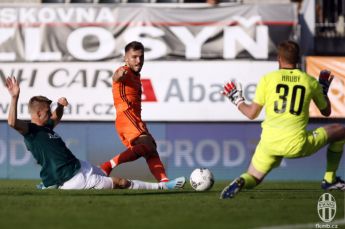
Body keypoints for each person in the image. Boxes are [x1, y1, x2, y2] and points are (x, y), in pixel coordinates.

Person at [5, 76, 186, 190]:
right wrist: (14, 97)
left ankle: (48, 184)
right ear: (37, 114)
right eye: (47, 110)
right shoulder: (31, 131)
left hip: (79, 166)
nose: (50, 113)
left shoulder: (45, 127)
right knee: (120, 183)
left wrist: (59, 106)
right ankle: (162, 187)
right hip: (73, 179)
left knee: (104, 170)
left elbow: (56, 117)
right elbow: (12, 122)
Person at [219, 40, 345, 199]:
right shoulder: (309, 81)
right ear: (298, 59)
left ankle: (241, 181)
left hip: (269, 144)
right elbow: (326, 112)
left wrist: (237, 100)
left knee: (254, 177)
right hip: (296, 144)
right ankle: (329, 179)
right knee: (340, 131)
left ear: (279, 58)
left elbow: (251, 114)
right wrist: (323, 90)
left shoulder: (268, 79)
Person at [100, 41, 170, 182]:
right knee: (147, 145)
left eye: (141, 57)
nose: (139, 61)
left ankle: (164, 181)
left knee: (150, 148)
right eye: (134, 57)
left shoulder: (136, 76)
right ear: (126, 58)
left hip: (133, 118)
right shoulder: (123, 71)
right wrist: (119, 74)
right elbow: (116, 77)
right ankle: (106, 166)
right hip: (126, 116)